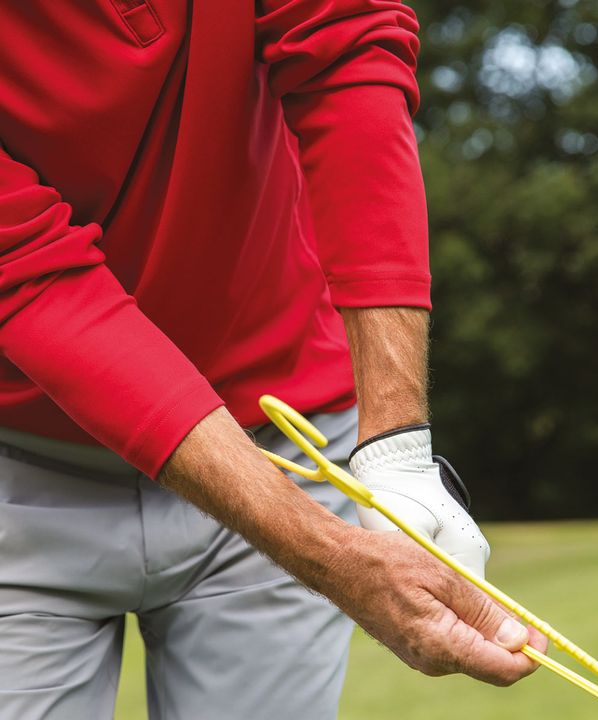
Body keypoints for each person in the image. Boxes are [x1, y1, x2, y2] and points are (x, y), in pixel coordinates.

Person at [0, 2, 542, 718]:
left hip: (287, 434)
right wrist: (330, 554)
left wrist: (399, 452)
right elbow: (27, 274)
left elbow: (350, 50)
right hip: (19, 474)